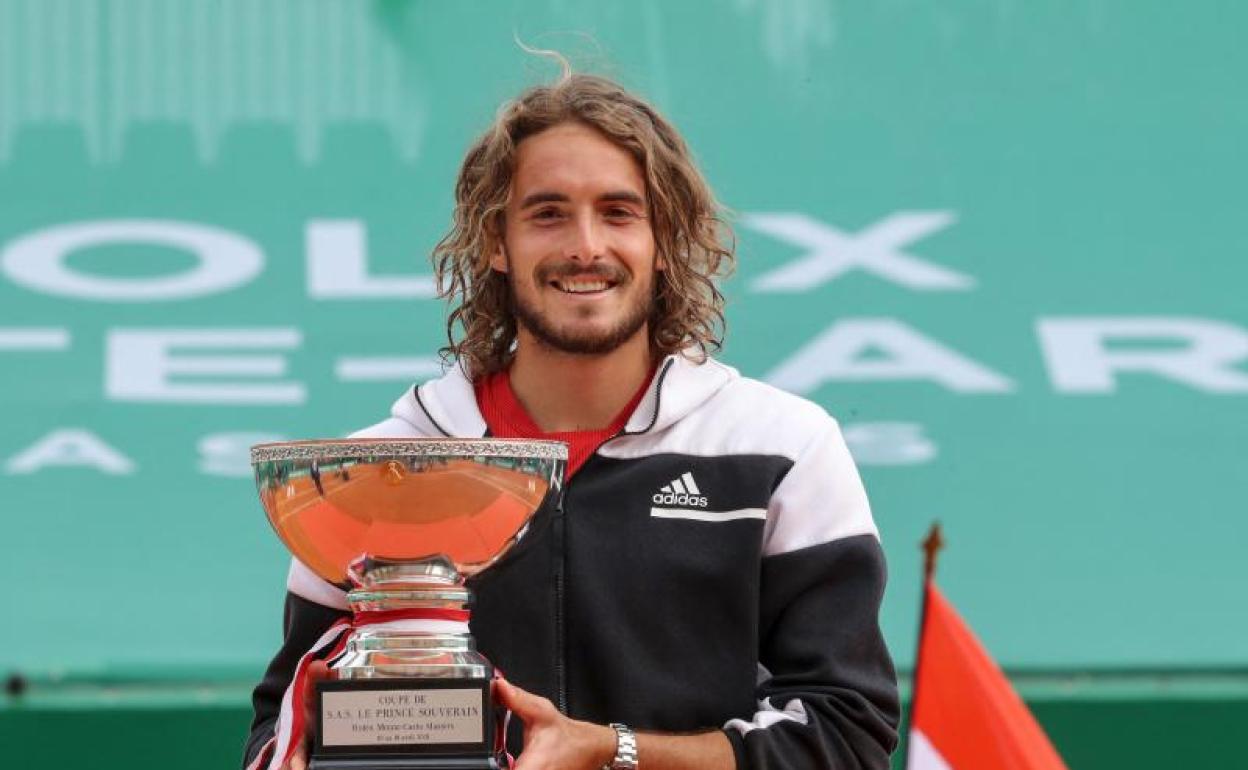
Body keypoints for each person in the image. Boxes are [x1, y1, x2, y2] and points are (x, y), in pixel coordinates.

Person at [244, 69, 898, 770]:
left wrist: (611, 752)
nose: (585, 246)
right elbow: (279, 737)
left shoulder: (777, 449)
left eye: (619, 212)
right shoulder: (377, 473)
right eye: (547, 213)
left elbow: (846, 734)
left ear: (664, 240)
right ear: (497, 242)